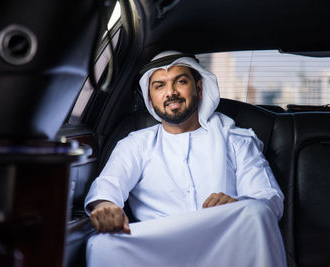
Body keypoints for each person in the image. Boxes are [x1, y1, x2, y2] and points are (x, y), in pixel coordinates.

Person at [84, 51, 287, 267]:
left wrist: (238, 204)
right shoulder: (135, 144)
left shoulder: (236, 139)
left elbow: (268, 198)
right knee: (101, 243)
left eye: (180, 82)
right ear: (151, 101)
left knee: (256, 211)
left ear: (199, 89)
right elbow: (108, 186)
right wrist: (106, 206)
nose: (171, 92)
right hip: (159, 244)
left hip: (224, 241)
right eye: (159, 86)